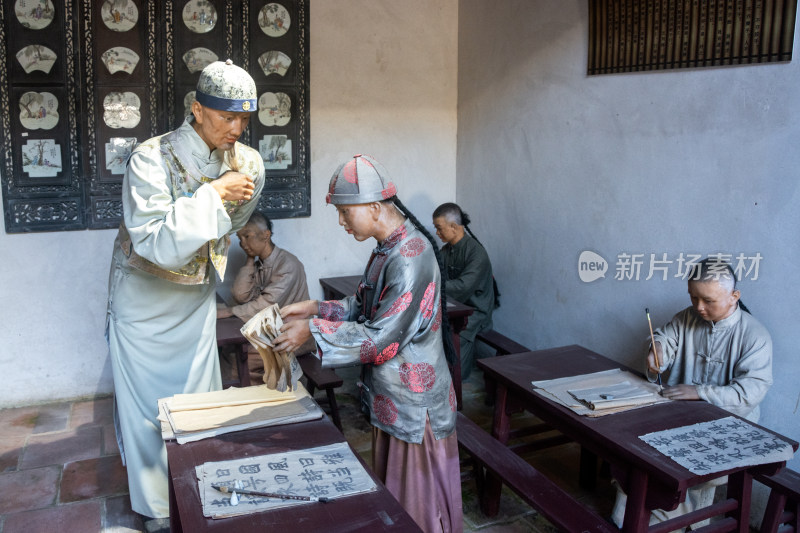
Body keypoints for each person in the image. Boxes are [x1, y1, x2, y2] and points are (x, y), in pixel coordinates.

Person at [105, 60, 264, 531]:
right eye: (225, 117)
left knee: (198, 403)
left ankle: (197, 495)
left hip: (193, 301)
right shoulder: (150, 159)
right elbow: (154, 242)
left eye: (244, 120)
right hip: (143, 305)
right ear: (197, 109)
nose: (236, 129)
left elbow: (232, 228)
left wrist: (216, 207)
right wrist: (213, 194)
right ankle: (157, 511)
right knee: (147, 414)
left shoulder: (249, 162)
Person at [274, 155, 463, 532]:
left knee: (417, 506)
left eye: (345, 213)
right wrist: (315, 307)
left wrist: (312, 332)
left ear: (375, 207)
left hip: (414, 402)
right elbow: (363, 305)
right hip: (394, 396)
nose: (342, 223)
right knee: (395, 496)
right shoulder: (388, 247)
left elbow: (382, 338)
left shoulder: (411, 257)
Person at [611, 258, 773, 531]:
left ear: (734, 297)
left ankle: (668, 516)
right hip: (676, 416)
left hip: (728, 427)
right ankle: (633, 512)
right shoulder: (687, 317)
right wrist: (657, 349)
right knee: (631, 445)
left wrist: (699, 392)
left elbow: (750, 392)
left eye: (708, 300)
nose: (698, 307)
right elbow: (665, 337)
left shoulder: (754, 335)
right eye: (693, 297)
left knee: (674, 472)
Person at [217, 211, 313, 381]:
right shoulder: (259, 263)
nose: (243, 243)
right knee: (230, 350)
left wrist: (230, 311)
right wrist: (249, 259)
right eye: (240, 239)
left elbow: (266, 304)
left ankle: (252, 400)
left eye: (247, 236)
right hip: (269, 331)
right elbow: (241, 295)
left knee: (239, 358)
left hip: (292, 335)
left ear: (266, 235)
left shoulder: (287, 265)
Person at [432, 202, 499, 380]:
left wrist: (431, 285)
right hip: (455, 307)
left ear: (454, 227)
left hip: (475, 312)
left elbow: (462, 287)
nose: (437, 233)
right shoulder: (447, 250)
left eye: (439, 228)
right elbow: (435, 274)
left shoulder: (476, 253)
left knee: (454, 343)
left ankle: (456, 381)